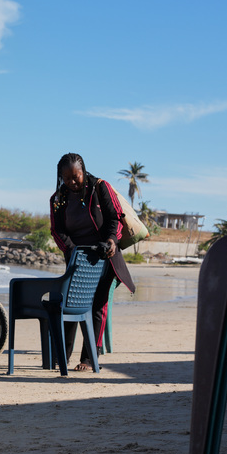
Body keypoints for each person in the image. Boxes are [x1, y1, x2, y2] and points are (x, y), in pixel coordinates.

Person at [49, 153, 135, 370]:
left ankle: (88, 359)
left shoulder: (100, 188)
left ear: (83, 171)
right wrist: (72, 250)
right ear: (60, 177)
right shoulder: (58, 199)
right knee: (69, 306)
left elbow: (115, 217)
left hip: (103, 256)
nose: (72, 182)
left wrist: (111, 240)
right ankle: (62, 356)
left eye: (76, 176)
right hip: (77, 259)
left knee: (97, 306)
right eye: (67, 178)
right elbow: (57, 231)